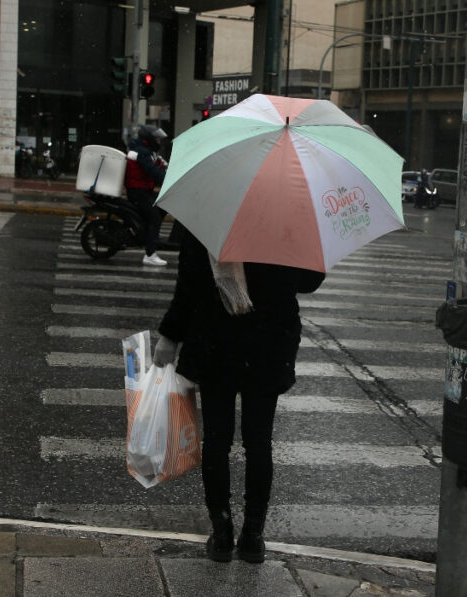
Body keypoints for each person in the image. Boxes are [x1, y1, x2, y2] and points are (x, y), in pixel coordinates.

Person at [152, 233, 325, 564]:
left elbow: (189, 283)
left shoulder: (209, 217)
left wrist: (171, 336)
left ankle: (221, 534)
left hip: (218, 339)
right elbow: (308, 282)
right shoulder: (286, 219)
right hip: (268, 342)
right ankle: (253, 538)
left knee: (217, 440)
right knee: (259, 442)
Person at [124, 124, 168, 266]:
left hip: (143, 191)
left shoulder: (146, 151)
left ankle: (149, 234)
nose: (159, 142)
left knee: (162, 205)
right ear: (149, 139)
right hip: (138, 193)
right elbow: (152, 171)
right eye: (157, 139)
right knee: (154, 217)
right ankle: (150, 254)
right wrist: (165, 181)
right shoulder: (142, 152)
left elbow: (158, 166)